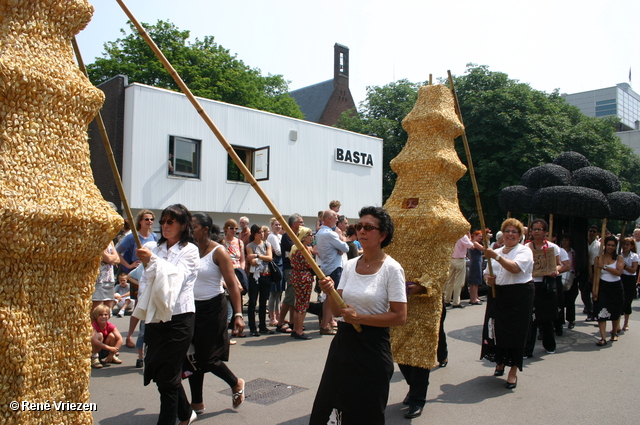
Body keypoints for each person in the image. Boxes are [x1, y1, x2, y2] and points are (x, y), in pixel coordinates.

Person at [310, 206, 407, 425]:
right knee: (331, 406)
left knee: (365, 412)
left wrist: (360, 318)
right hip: (343, 348)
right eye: (359, 226)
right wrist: (330, 291)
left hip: (372, 350)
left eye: (369, 227)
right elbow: (337, 311)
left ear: (382, 235)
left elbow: (400, 317)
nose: (361, 231)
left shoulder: (392, 269)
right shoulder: (350, 265)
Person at [135, 204, 199, 425]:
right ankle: (186, 411)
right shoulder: (156, 247)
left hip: (179, 317)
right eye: (162, 222)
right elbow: (144, 280)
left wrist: (151, 262)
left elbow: (177, 278)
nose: (164, 226)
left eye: (170, 221)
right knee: (158, 370)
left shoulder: (189, 250)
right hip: (155, 316)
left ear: (183, 225)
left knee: (168, 376)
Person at [187, 213, 246, 414]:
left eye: (193, 227)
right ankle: (197, 403)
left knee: (208, 357)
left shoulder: (219, 251)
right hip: (191, 308)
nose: (189, 230)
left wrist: (238, 314)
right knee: (193, 356)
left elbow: (232, 284)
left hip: (213, 309)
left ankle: (235, 382)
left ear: (205, 229)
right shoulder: (188, 249)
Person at [481, 218, 534, 390]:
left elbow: (515, 268)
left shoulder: (524, 251)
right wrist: (488, 279)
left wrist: (496, 256)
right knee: (496, 329)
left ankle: (513, 371)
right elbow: (486, 273)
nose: (510, 235)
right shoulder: (497, 250)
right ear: (503, 234)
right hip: (498, 294)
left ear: (520, 235)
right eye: (507, 231)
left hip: (519, 296)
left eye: (514, 232)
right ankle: (500, 361)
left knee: (515, 333)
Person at [524, 219, 567, 357]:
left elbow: (559, 264)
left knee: (546, 318)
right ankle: (527, 349)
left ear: (545, 232)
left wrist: (556, 271)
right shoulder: (525, 248)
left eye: (539, 229)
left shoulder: (552, 247)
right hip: (530, 284)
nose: (536, 231)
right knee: (530, 318)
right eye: (534, 229)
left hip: (545, 284)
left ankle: (550, 345)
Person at [119, 209, 159, 349]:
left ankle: (145, 335)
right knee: (138, 305)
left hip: (150, 273)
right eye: (147, 219)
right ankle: (130, 335)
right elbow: (118, 252)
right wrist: (128, 265)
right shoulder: (132, 237)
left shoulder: (154, 237)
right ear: (140, 221)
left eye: (151, 219)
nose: (149, 222)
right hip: (137, 274)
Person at [316, 209, 349, 335]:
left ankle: (326, 323)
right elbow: (345, 248)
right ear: (329, 219)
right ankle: (325, 325)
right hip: (334, 267)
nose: (337, 220)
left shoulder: (321, 232)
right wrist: (341, 240)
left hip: (327, 266)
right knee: (333, 297)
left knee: (328, 298)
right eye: (335, 218)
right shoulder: (330, 233)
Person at [593, 236, 625, 345]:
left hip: (616, 287)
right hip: (603, 286)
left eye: (613, 245)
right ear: (605, 245)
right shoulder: (598, 258)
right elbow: (595, 275)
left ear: (615, 247)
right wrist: (594, 289)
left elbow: (618, 272)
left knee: (615, 310)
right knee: (601, 310)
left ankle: (614, 332)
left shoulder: (619, 258)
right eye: (608, 245)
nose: (610, 247)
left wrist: (605, 267)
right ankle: (603, 337)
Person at [246, 224, 274, 336]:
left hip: (266, 274)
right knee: (252, 302)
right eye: (259, 232)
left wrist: (257, 256)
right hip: (255, 276)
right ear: (254, 234)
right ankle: (253, 327)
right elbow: (251, 261)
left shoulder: (267, 244)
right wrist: (260, 257)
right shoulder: (249, 245)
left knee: (263, 302)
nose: (262, 234)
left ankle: (263, 325)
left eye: (262, 232)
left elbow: (270, 257)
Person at [277, 214, 304, 333]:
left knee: (295, 297)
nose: (302, 225)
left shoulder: (297, 235)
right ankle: (280, 322)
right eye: (301, 222)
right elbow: (296, 248)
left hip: (298, 268)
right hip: (290, 268)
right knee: (290, 295)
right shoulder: (287, 236)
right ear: (294, 224)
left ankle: (293, 322)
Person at [289, 226, 315, 339]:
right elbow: (311, 264)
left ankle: (295, 329)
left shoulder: (295, 248)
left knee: (298, 304)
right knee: (303, 305)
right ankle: (299, 331)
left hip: (296, 276)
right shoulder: (303, 250)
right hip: (304, 277)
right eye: (310, 235)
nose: (312, 237)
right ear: (304, 237)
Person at [444, 233, 475, 308]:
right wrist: (469, 237)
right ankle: (456, 302)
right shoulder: (462, 236)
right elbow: (472, 246)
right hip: (460, 260)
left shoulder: (451, 234)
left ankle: (446, 300)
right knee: (459, 282)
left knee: (450, 281)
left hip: (451, 259)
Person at [91, 304, 123, 368]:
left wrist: (112, 353)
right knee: (99, 335)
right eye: (100, 315)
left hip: (104, 350)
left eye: (105, 315)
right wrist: (110, 348)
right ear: (96, 316)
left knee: (112, 336)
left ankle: (112, 357)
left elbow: (120, 339)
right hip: (93, 350)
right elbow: (94, 341)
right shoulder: (93, 325)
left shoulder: (110, 325)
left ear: (109, 316)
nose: (103, 316)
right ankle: (94, 358)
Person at [92, 240, 120, 310]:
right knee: (97, 310)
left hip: (109, 279)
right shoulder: (96, 240)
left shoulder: (110, 241)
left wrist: (111, 259)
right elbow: (108, 259)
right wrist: (113, 258)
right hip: (98, 280)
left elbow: (118, 260)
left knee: (108, 310)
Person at [266, 220, 284, 326]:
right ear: (271, 226)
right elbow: (279, 251)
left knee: (279, 293)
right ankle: (272, 317)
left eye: (279, 224)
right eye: (276, 224)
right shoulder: (272, 237)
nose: (278, 226)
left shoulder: (280, 237)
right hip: (276, 266)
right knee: (273, 293)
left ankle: (278, 316)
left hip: (280, 265)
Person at [620, 237, 638, 332]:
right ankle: (617, 323)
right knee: (619, 300)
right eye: (624, 244)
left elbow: (633, 270)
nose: (625, 246)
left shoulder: (634, 256)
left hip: (630, 279)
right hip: (620, 277)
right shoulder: (619, 255)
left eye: (627, 245)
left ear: (631, 246)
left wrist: (624, 266)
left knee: (628, 301)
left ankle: (626, 322)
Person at [467, 230, 485, 306]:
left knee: (475, 281)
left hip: (476, 262)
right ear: (475, 235)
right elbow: (483, 249)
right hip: (476, 263)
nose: (481, 238)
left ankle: (475, 297)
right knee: (475, 281)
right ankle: (473, 299)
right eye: (479, 236)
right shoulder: (475, 243)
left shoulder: (472, 242)